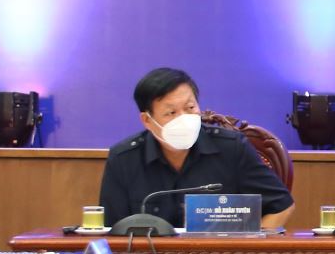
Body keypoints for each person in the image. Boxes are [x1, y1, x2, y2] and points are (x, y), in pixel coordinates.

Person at [99, 67, 294, 229]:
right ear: (147, 120)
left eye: (190, 108)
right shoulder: (124, 159)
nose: (184, 118)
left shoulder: (232, 148)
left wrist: (245, 251)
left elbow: (282, 206)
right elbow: (112, 230)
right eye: (171, 112)